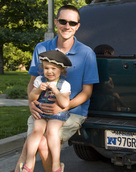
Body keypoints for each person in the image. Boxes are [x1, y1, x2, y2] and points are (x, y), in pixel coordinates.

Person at [15, 5, 99, 172]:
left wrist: (64, 106)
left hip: (72, 111)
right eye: (63, 21)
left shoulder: (87, 53)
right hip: (41, 108)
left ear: (78, 26)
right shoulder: (42, 47)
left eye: (72, 23)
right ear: (56, 22)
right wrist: (31, 103)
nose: (67, 26)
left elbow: (87, 92)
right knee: (30, 144)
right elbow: (33, 82)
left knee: (43, 142)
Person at [20, 50, 72, 172]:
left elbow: (65, 104)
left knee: (52, 132)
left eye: (54, 68)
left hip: (57, 114)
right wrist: (38, 90)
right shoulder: (39, 80)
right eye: (46, 68)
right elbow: (32, 97)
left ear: (61, 70)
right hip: (41, 112)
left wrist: (56, 91)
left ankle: (56, 163)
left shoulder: (64, 84)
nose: (50, 71)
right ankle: (29, 160)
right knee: (37, 130)